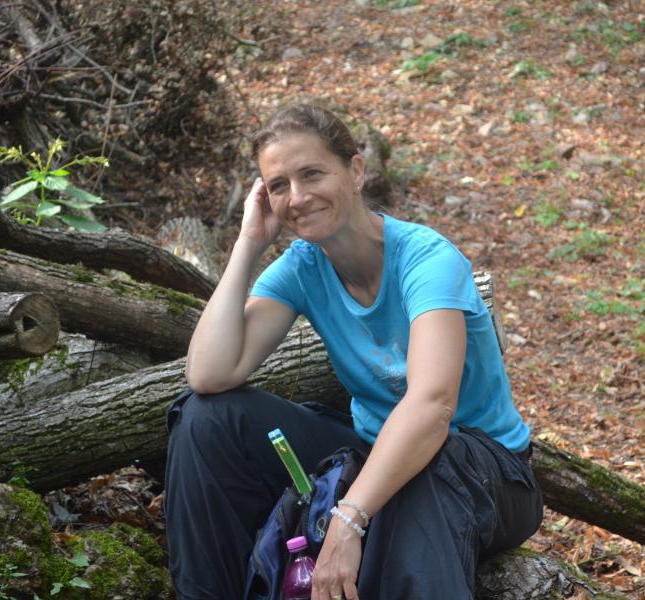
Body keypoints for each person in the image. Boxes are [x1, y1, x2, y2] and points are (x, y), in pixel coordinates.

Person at [164, 104, 543, 600]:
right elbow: (209, 373)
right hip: (373, 452)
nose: (297, 197)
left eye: (311, 174)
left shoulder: (426, 260)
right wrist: (247, 243)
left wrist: (348, 520)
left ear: (356, 170)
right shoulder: (302, 267)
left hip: (488, 471)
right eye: (279, 185)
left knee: (430, 462)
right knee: (207, 418)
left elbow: (432, 407)